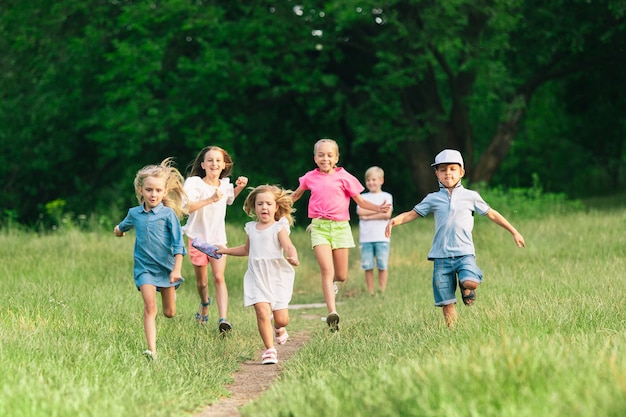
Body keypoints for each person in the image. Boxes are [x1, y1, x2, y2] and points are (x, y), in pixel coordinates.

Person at [385, 149, 526, 327]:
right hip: (441, 257)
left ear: (461, 172)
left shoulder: (471, 196)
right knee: (446, 301)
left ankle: (465, 287)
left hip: (464, 253)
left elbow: (492, 214)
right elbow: (412, 214)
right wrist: (394, 222)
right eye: (443, 170)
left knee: (470, 281)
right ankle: (453, 331)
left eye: (452, 169)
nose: (448, 173)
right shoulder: (433, 198)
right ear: (436, 174)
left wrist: (514, 231)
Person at [291, 139, 391, 331]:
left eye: (329, 155)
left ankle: (333, 284)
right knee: (326, 271)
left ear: (336, 158)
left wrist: (378, 207)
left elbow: (360, 202)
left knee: (341, 275)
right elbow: (295, 196)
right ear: (315, 158)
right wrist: (276, 204)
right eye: (321, 155)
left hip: (341, 228)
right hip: (319, 227)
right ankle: (332, 312)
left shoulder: (344, 177)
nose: (325, 158)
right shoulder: (309, 177)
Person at [215, 185, 299, 365]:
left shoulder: (278, 227)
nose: (264, 207)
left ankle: (278, 328)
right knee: (261, 312)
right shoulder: (251, 228)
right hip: (256, 276)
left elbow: (288, 245)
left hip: (276, 276)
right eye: (260, 204)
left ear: (276, 207)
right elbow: (246, 249)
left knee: (282, 319)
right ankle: (269, 350)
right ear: (254, 207)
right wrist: (225, 250)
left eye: (269, 203)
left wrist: (292, 254)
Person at [114, 158, 188, 360]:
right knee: (150, 307)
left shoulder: (168, 215)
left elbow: (179, 245)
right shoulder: (134, 213)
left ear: (164, 192)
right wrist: (119, 231)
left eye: (157, 190)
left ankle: (169, 297)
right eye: (148, 190)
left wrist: (177, 269)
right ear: (141, 191)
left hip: (167, 269)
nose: (153, 194)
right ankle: (152, 351)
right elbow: (122, 226)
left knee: (169, 312)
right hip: (144, 269)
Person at [183, 146, 248, 333]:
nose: (214, 164)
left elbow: (228, 199)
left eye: (218, 160)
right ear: (202, 164)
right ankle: (204, 304)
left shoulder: (225, 184)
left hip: (218, 239)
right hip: (197, 240)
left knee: (219, 277)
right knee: (202, 283)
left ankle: (223, 319)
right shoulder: (194, 183)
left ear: (224, 165)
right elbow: (187, 208)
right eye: (210, 160)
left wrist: (239, 188)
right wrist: (210, 199)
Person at [357, 166, 393, 297]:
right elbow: (360, 212)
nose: (371, 183)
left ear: (381, 180)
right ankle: (370, 292)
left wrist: (368, 216)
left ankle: (382, 290)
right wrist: (376, 211)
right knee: (368, 265)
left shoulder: (386, 196)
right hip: (366, 238)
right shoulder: (362, 197)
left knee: (382, 265)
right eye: (368, 180)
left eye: (374, 179)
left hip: (382, 237)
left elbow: (386, 215)